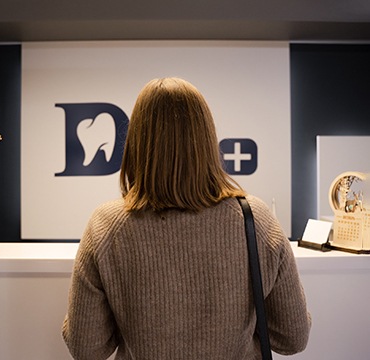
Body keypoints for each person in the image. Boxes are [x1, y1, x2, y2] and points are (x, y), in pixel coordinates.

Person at [62, 77, 311, 360]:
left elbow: (86, 347)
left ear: (136, 143)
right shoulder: (255, 218)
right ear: (207, 139)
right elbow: (292, 337)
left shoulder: (106, 226)